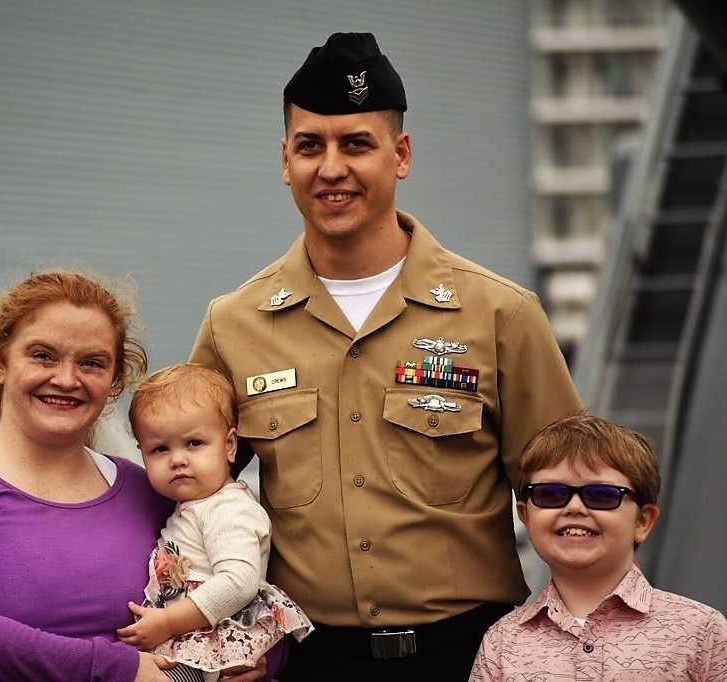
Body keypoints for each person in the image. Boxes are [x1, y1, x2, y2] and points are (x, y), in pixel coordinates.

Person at [189, 32, 584, 680]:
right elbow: (191, 495)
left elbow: (570, 494)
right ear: (284, 160)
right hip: (306, 661)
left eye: (356, 144)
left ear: (399, 155)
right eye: (310, 145)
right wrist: (225, 635)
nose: (331, 167)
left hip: (473, 657)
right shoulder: (234, 324)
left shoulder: (499, 315)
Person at [0, 270, 269, 682]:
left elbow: (239, 589)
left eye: (92, 363)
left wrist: (257, 661)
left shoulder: (150, 489)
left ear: (115, 381)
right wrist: (120, 669)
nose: (66, 379)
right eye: (43, 355)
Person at [469, 414, 727, 680]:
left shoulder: (701, 632)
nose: (575, 508)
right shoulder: (502, 642)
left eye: (601, 495)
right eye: (551, 494)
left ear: (643, 521)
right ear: (525, 515)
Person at [118, 363, 313, 682]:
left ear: (230, 445)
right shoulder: (190, 505)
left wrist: (168, 622)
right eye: (160, 449)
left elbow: (239, 581)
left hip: (209, 645)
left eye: (194, 443)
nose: (177, 459)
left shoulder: (229, 508)